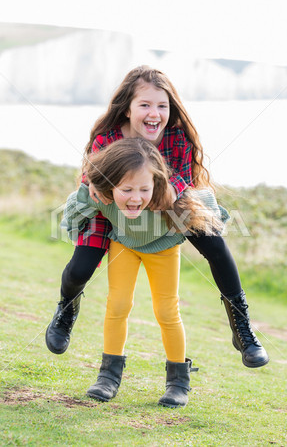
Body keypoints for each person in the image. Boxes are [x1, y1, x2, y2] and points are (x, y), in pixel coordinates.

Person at [46, 65, 269, 368]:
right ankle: (66, 311)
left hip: (167, 202)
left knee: (215, 245)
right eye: (145, 105)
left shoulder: (176, 138)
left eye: (162, 106)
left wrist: (157, 193)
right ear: (127, 109)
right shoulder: (107, 137)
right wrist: (102, 187)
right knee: (79, 269)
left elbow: (183, 180)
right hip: (114, 206)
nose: (155, 113)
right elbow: (93, 177)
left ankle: (241, 328)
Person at [60, 137, 225, 407]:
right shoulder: (103, 196)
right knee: (118, 304)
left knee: (166, 310)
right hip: (124, 245)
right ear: (110, 186)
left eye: (143, 189)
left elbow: (205, 199)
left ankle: (178, 381)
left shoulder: (167, 196)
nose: (136, 198)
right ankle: (108, 377)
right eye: (126, 189)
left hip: (163, 248)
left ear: (156, 184)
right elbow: (75, 207)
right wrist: (85, 192)